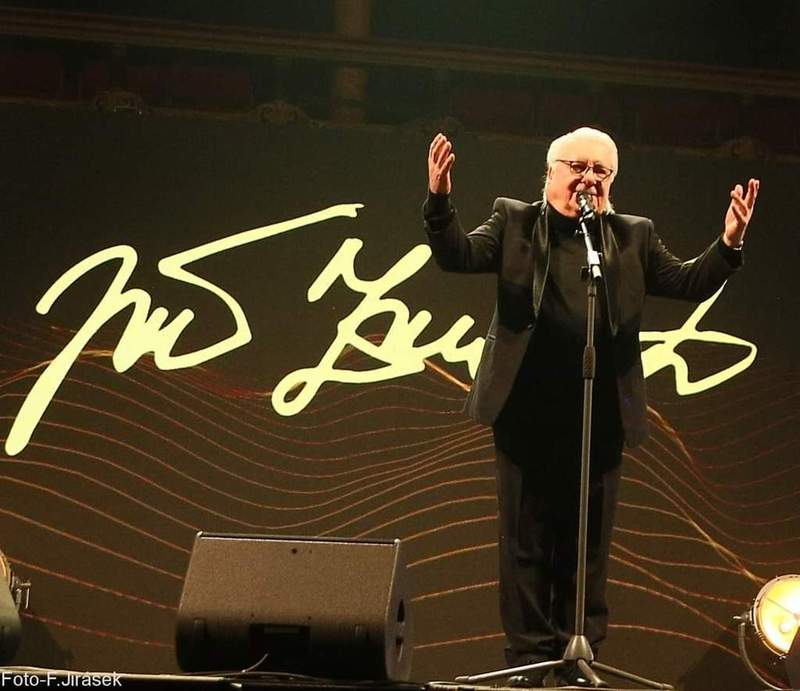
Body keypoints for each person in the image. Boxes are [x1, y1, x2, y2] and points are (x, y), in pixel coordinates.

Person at [423, 127, 759, 688]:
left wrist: (728, 244)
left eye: (601, 171)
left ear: (613, 181)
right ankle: (528, 659)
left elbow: (686, 282)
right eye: (577, 166)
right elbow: (457, 254)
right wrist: (439, 200)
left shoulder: (631, 236)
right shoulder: (514, 221)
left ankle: (578, 656)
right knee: (526, 543)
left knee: (587, 545)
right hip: (526, 413)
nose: (588, 179)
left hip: (599, 416)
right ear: (550, 172)